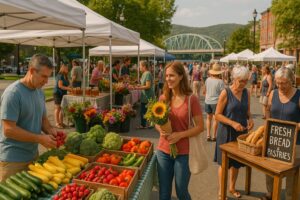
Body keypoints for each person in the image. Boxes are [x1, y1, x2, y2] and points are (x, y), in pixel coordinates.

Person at [0, 54, 58, 181]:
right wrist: (40, 138)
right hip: (13, 161)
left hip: (33, 157)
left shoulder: (39, 92)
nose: (46, 81)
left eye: (48, 77)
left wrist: (50, 130)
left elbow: (43, 119)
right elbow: (8, 130)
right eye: (44, 76)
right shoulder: (13, 93)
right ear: (31, 71)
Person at [155, 61, 204, 200]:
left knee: (181, 191)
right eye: (166, 76)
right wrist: (160, 130)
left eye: (172, 75)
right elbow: (157, 122)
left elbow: (200, 127)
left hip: (183, 153)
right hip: (163, 151)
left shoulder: (191, 99)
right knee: (164, 193)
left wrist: (180, 135)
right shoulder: (163, 98)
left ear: (181, 76)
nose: (168, 79)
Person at [214, 66, 254, 199]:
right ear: (234, 79)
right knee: (224, 164)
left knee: (236, 163)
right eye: (241, 81)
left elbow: (247, 111)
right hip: (226, 132)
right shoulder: (226, 92)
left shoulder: (246, 92)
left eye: (245, 81)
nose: (243, 83)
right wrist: (232, 123)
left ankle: (232, 187)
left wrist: (250, 119)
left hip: (241, 133)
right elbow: (217, 115)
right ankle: (221, 190)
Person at [262, 67, 300, 200]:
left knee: (291, 171)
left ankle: (290, 196)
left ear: (291, 81)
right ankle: (269, 193)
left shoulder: (299, 95)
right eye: (278, 82)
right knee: (270, 167)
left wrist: (297, 126)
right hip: (273, 138)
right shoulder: (273, 93)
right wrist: (267, 120)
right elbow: (267, 109)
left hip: (294, 141)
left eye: (284, 83)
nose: (280, 86)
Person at [203, 63, 224, 142]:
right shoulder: (220, 82)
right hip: (216, 102)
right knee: (215, 119)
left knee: (208, 118)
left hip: (207, 101)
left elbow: (204, 90)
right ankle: (214, 136)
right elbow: (223, 94)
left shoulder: (207, 79)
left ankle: (208, 135)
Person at [133, 61, 154, 129]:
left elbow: (148, 86)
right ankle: (146, 124)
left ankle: (144, 125)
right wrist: (138, 85)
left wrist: (137, 87)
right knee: (144, 110)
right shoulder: (144, 74)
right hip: (145, 95)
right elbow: (144, 84)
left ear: (144, 66)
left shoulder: (147, 73)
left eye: (140, 66)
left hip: (147, 96)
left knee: (144, 110)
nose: (139, 67)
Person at [53, 63, 72, 129]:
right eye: (66, 68)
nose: (67, 69)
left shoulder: (66, 76)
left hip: (63, 94)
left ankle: (61, 122)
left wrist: (70, 86)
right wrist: (69, 88)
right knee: (58, 108)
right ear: (63, 68)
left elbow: (68, 85)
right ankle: (57, 123)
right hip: (57, 93)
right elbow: (60, 86)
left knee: (62, 108)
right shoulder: (60, 75)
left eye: (67, 68)